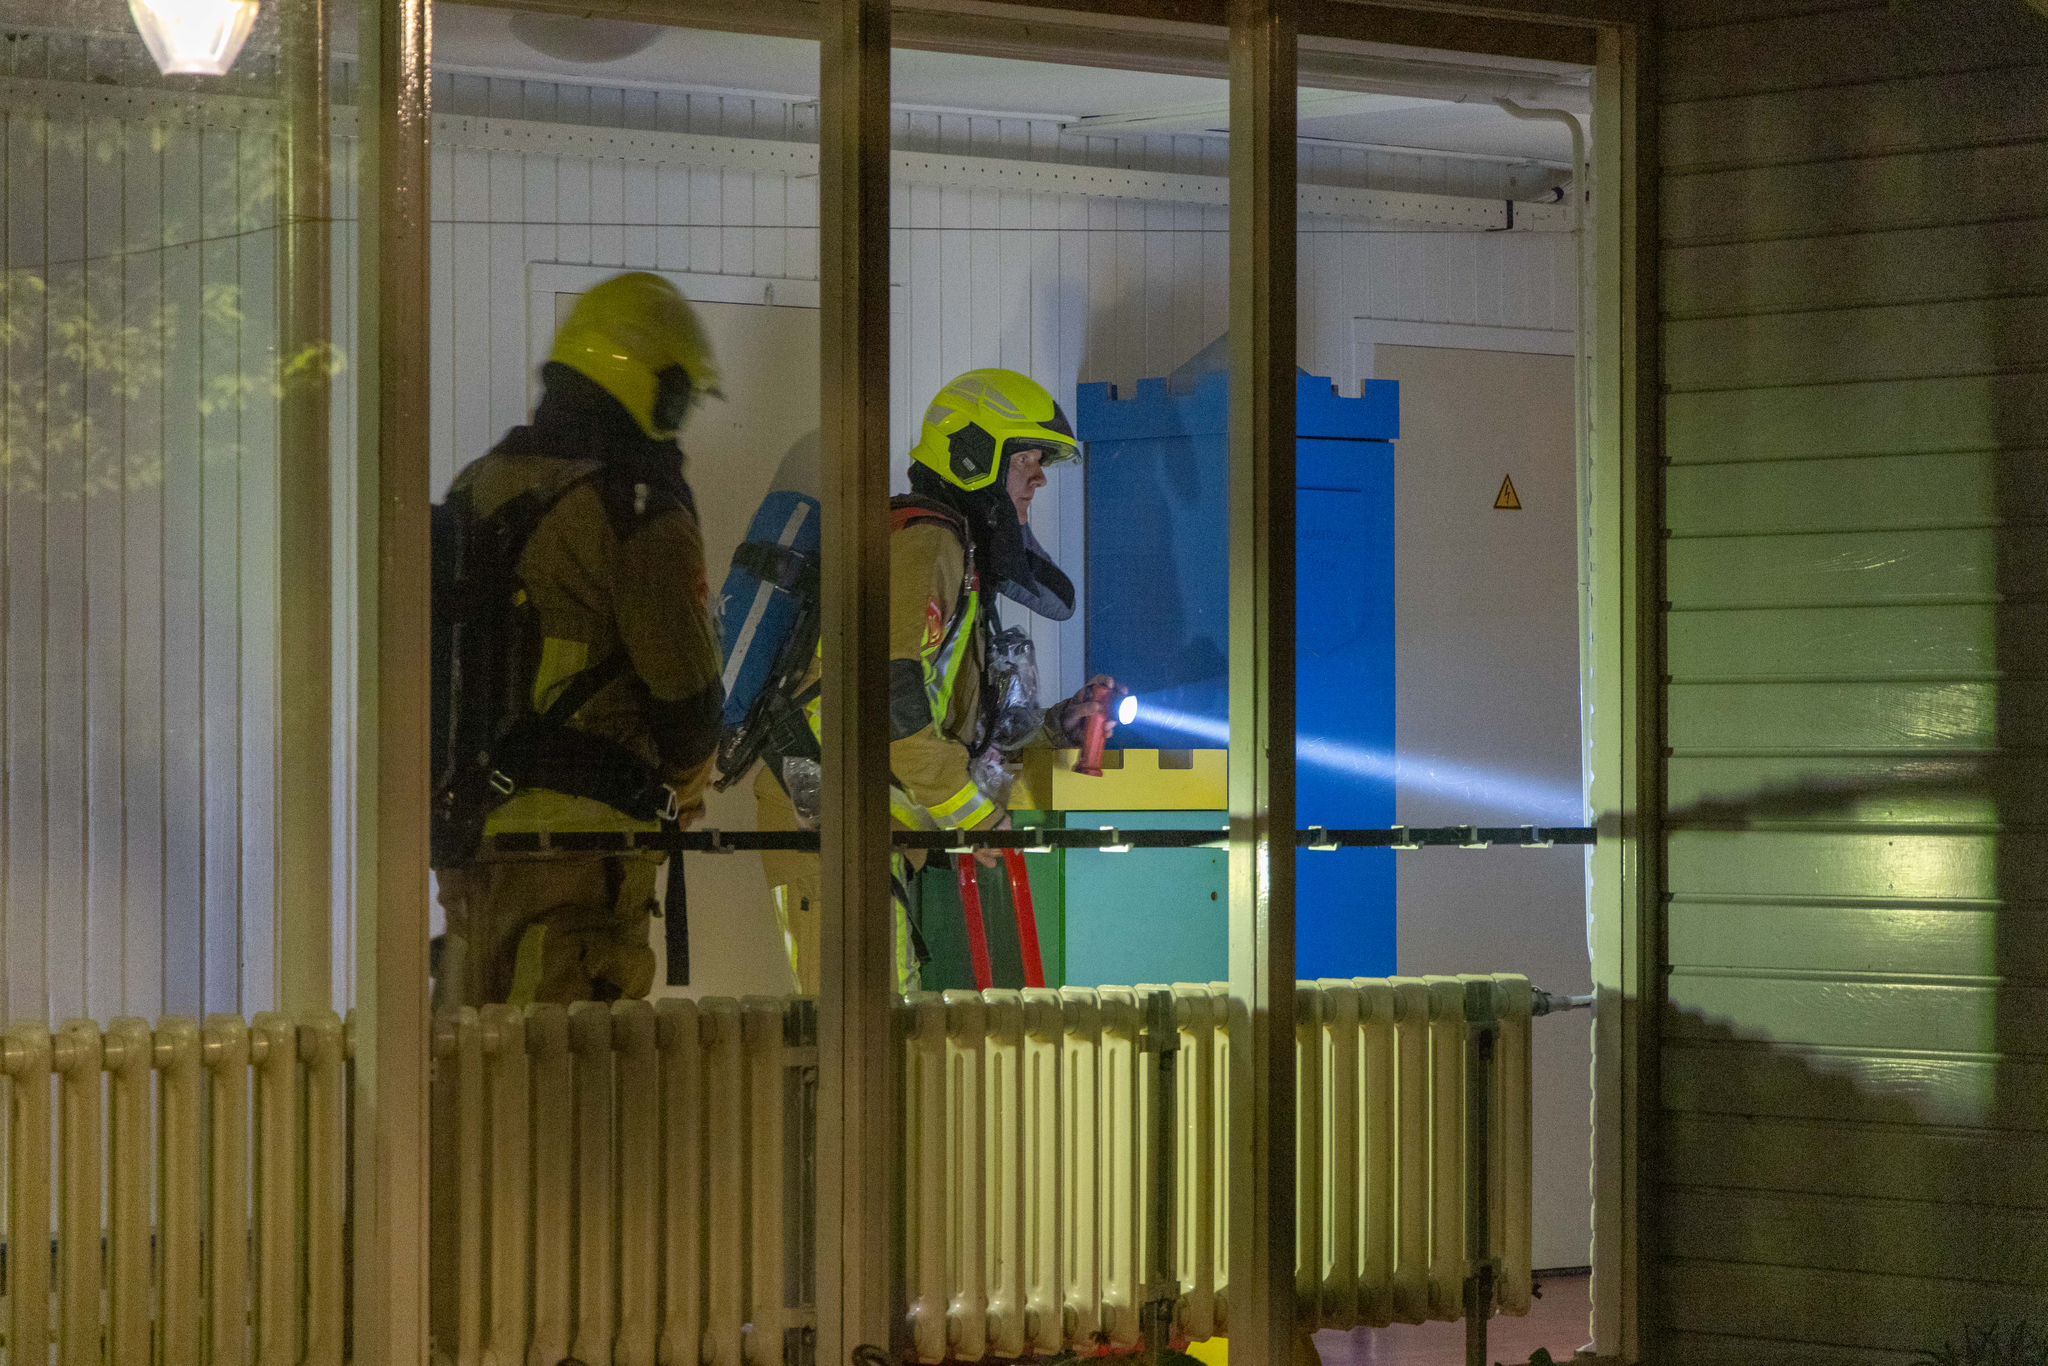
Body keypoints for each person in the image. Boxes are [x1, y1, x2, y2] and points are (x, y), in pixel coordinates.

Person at [754, 369, 1122, 995]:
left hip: (864, 825)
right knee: (854, 1024)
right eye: (1026, 459)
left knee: (884, 1020)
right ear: (974, 458)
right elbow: (885, 700)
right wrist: (978, 818)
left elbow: (952, 721)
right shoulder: (927, 543)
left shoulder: (957, 553)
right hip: (826, 820)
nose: (1038, 478)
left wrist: (1056, 725)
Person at [431, 272, 723, 1008]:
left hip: (469, 837)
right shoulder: (635, 511)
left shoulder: (478, 486)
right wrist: (684, 793)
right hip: (581, 855)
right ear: (648, 388)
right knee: (565, 1071)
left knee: (472, 1055)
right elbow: (689, 705)